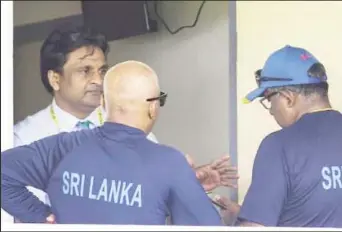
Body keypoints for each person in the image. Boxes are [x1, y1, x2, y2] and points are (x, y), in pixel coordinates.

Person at [8, 24, 238, 222]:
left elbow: (148, 201)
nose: (98, 80)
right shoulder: (24, 136)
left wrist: (184, 186)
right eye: (85, 71)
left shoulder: (138, 133)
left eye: (102, 70)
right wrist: (42, 218)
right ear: (55, 79)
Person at [217, 45, 342, 227]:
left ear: (288, 98)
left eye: (269, 100)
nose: (271, 112)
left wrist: (234, 223)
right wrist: (251, 213)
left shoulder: (278, 146)